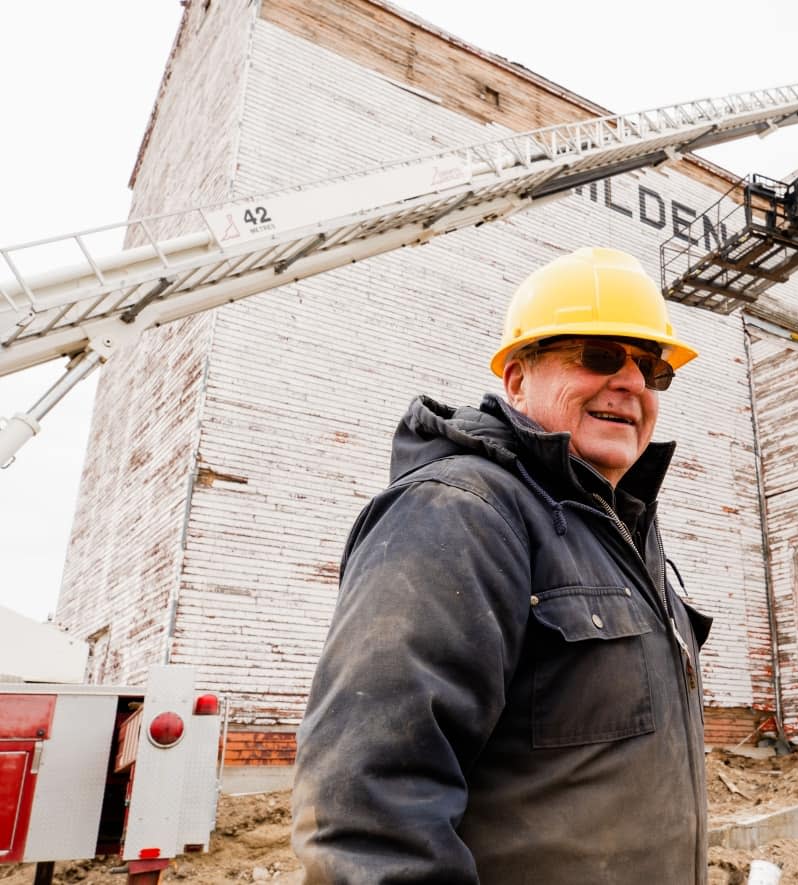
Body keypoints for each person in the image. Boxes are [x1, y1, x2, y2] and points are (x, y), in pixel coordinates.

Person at [292, 246, 713, 884]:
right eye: (598, 356)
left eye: (651, 368)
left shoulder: (621, 535)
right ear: (517, 380)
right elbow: (367, 819)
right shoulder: (460, 515)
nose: (631, 382)